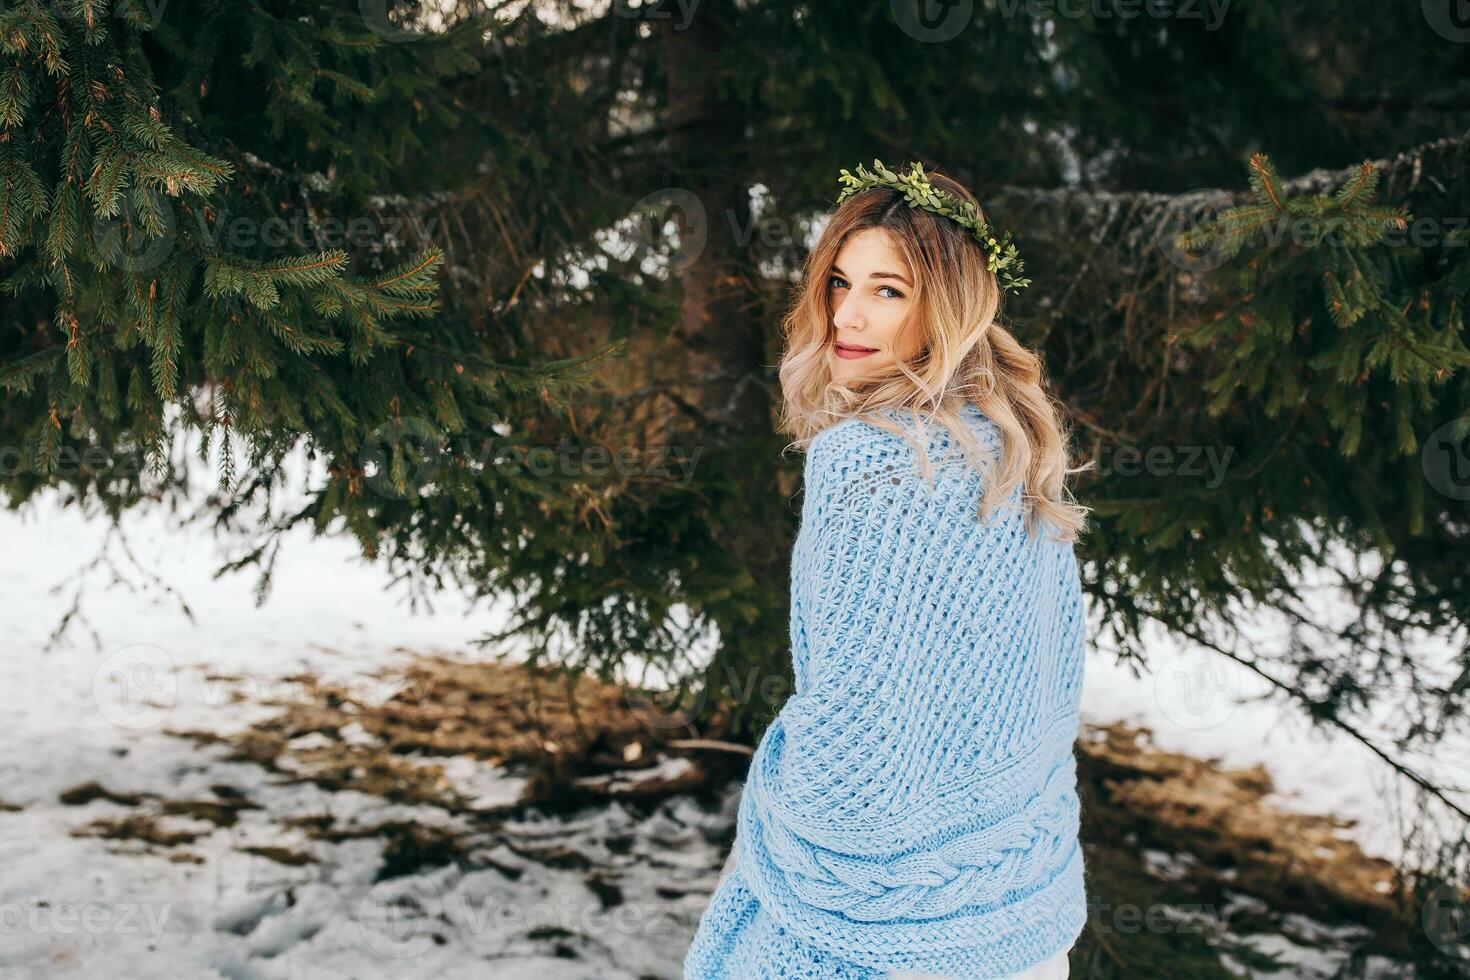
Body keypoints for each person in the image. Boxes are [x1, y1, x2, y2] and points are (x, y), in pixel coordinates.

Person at [682, 160, 1091, 980]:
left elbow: (850, 719)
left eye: (889, 290)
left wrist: (781, 812)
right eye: (839, 282)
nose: (849, 314)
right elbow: (1055, 676)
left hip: (895, 932)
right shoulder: (1011, 444)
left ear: (945, 307)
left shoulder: (866, 463)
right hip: (1021, 914)